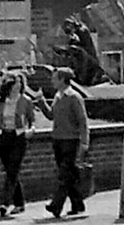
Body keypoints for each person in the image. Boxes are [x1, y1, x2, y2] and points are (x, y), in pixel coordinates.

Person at [43, 65, 89, 218]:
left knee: (64, 174)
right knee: (68, 175)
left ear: (63, 80)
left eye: (55, 78)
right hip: (58, 139)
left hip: (71, 140)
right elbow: (51, 115)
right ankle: (78, 204)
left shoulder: (74, 97)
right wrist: (40, 101)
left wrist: (84, 141)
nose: (52, 81)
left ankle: (56, 206)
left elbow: (82, 120)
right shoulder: (58, 96)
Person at [0, 71, 35, 217]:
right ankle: (20, 203)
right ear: (9, 85)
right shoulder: (0, 102)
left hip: (19, 137)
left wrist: (31, 130)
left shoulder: (26, 101)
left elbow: (32, 120)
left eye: (21, 83)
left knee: (13, 169)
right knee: (10, 171)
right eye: (16, 83)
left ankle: (5, 203)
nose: (19, 85)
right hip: (4, 137)